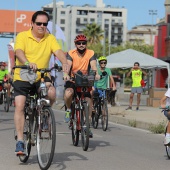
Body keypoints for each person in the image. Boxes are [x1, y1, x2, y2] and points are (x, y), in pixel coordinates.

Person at [13, 11, 70, 155]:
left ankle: (44, 115)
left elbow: (58, 51)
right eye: (39, 23)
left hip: (41, 76)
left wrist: (64, 63)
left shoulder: (50, 38)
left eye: (45, 24)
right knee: (20, 105)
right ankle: (20, 141)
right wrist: (26, 62)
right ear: (32, 24)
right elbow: (18, 51)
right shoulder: (22, 36)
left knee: (51, 92)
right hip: (23, 75)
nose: (42, 26)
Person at [64, 34, 100, 138]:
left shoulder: (91, 53)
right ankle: (68, 110)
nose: (81, 45)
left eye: (83, 43)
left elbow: (93, 65)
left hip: (85, 79)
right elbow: (68, 65)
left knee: (88, 101)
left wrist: (96, 74)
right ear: (75, 44)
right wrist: (66, 74)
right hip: (73, 79)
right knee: (68, 93)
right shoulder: (71, 53)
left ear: (86, 44)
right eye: (79, 43)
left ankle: (87, 126)